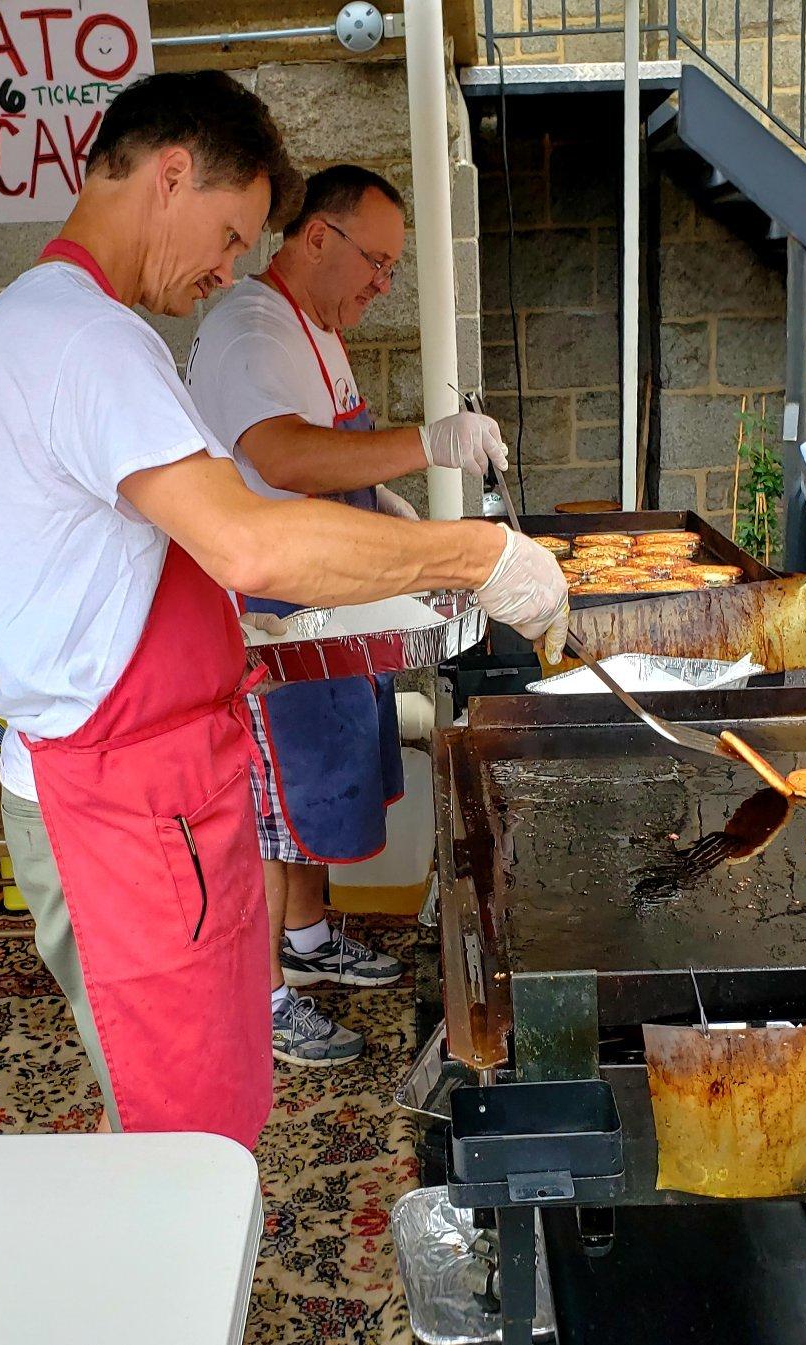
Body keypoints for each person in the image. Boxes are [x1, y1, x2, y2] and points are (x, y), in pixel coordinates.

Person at [0, 72, 569, 1148]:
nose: (227, 270)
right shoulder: (89, 338)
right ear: (172, 173)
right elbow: (242, 532)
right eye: (231, 234)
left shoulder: (25, 325)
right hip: (123, 807)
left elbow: (58, 596)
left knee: (188, 1110)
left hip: (133, 783)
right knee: (189, 1138)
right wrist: (476, 552)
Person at [187, 166, 510, 1067]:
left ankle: (310, 937)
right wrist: (428, 444)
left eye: (393, 269)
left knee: (318, 791)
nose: (381, 282)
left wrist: (381, 508)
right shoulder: (253, 329)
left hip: (320, 596)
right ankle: (264, 1002)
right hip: (264, 613)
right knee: (269, 810)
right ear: (318, 238)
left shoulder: (317, 326)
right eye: (376, 261)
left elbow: (330, 453)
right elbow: (282, 455)